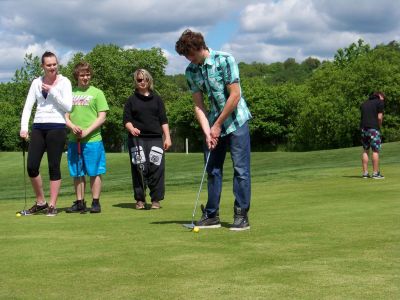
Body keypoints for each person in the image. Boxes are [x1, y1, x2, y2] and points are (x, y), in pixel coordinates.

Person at [175, 29, 252, 231]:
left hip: (236, 121)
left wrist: (217, 125)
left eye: (189, 54)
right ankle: (211, 215)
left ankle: (241, 215)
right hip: (213, 124)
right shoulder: (191, 71)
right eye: (185, 56)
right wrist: (208, 130)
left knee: (240, 170)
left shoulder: (225, 60)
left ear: (199, 47)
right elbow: (198, 105)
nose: (188, 59)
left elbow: (235, 96)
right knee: (212, 170)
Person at [20, 51, 73, 216]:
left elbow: (68, 107)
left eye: (54, 64)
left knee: (53, 166)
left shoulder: (64, 82)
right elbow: (28, 106)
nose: (52, 68)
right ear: (42, 66)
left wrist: (53, 91)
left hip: (57, 127)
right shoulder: (36, 82)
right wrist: (24, 127)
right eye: (48, 65)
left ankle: (52, 205)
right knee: (32, 166)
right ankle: (41, 201)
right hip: (38, 127)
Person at [123, 69, 172, 210]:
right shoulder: (131, 100)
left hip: (155, 138)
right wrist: (131, 128)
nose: (142, 82)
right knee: (139, 168)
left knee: (156, 168)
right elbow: (126, 120)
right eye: (139, 80)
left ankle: (156, 200)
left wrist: (167, 137)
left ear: (149, 80)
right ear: (136, 82)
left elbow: (163, 120)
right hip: (137, 139)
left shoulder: (157, 99)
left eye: (145, 79)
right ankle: (140, 200)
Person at [65, 61, 109, 213]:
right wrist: (72, 127)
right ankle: (79, 202)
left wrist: (87, 131)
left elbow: (102, 117)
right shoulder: (70, 93)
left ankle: (95, 202)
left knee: (94, 171)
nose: (85, 77)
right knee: (77, 172)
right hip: (74, 140)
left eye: (88, 74)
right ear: (77, 75)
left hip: (93, 140)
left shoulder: (97, 93)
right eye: (82, 74)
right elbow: (65, 116)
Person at [360, 91, 385, 179]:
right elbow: (379, 117)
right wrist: (379, 126)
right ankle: (375, 173)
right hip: (373, 129)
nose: (383, 100)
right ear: (379, 96)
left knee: (365, 150)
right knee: (375, 150)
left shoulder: (364, 104)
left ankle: (365, 173)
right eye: (383, 98)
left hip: (363, 129)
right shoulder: (379, 102)